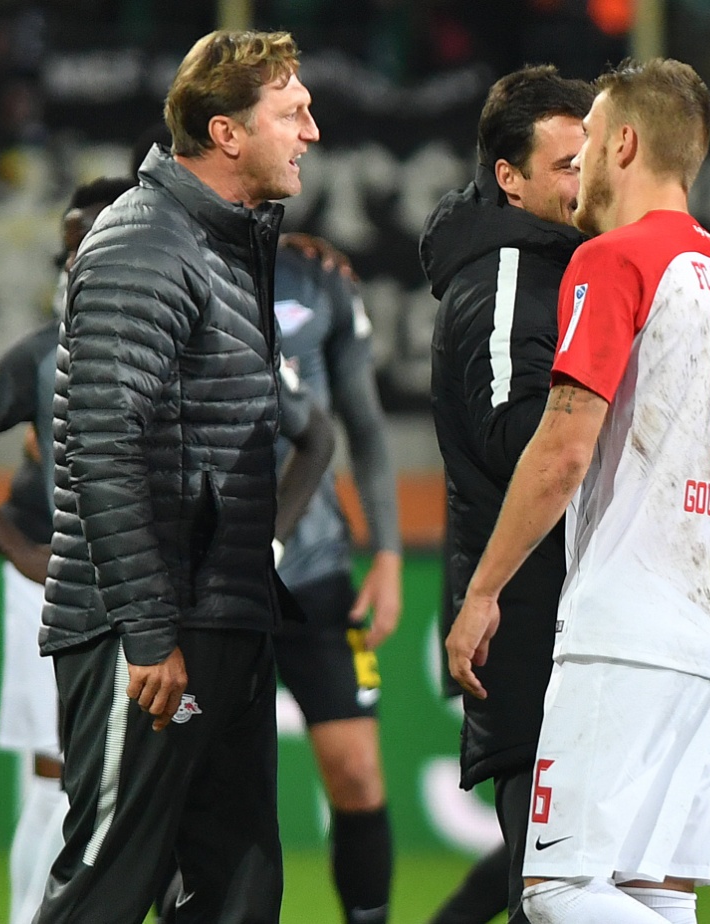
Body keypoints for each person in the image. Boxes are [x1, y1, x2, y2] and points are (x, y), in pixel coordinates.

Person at [446, 58, 710, 924]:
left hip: (627, 629)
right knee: (650, 890)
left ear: (624, 143)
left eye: (591, 141)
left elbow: (562, 447)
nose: (583, 165)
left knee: (559, 887)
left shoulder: (614, 260)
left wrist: (483, 590)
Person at [36, 30, 321, 923]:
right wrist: (150, 632)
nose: (312, 129)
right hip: (153, 637)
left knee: (234, 893)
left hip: (223, 618)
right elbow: (102, 441)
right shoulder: (145, 241)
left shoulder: (229, 242)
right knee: (110, 885)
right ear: (227, 132)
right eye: (293, 111)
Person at [0, 176, 134, 924]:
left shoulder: (164, 340)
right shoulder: (42, 356)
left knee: (113, 780)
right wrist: (17, 550)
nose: (73, 266)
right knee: (54, 775)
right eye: (67, 251)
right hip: (55, 579)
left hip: (132, 586)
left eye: (90, 244)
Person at [422, 64, 594, 924]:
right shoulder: (501, 281)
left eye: (591, 157)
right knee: (556, 890)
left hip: (573, 609)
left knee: (578, 884)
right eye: (565, 164)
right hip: (527, 622)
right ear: (509, 178)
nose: (584, 180)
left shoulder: (564, 269)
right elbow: (517, 437)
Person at [270, 246, 402, 924]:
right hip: (209, 580)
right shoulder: (173, 263)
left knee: (356, 773)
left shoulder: (319, 282)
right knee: (202, 789)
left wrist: (387, 553)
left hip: (316, 571)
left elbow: (366, 427)